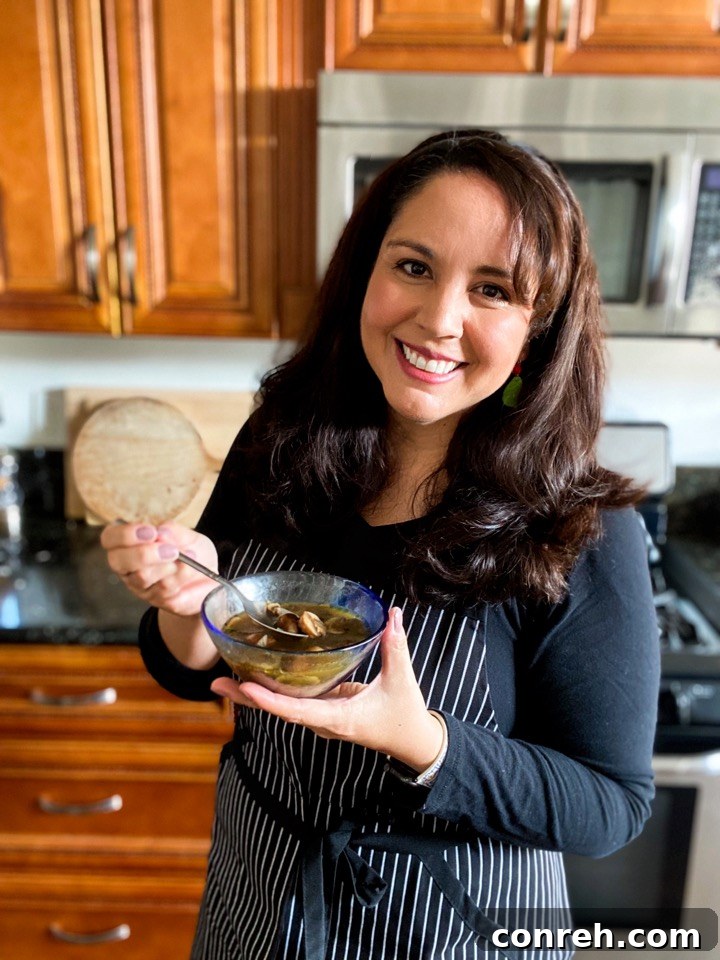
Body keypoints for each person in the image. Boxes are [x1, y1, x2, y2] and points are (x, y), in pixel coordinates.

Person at [100, 129, 660, 960]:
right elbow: (192, 667)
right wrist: (189, 608)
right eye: (413, 266)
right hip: (262, 898)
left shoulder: (583, 531)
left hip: (462, 926)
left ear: (537, 329)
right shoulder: (281, 444)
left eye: (494, 289)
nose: (438, 319)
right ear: (367, 270)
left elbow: (611, 805)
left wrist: (423, 740)